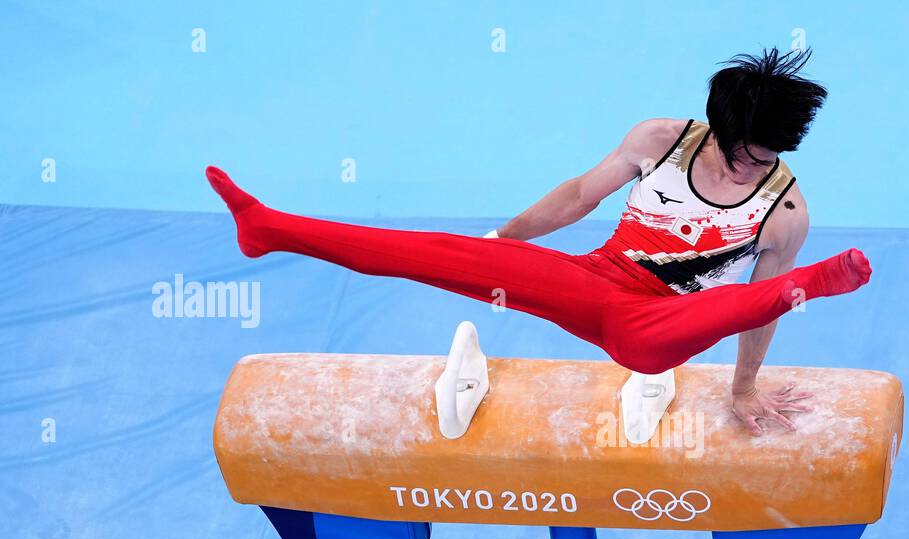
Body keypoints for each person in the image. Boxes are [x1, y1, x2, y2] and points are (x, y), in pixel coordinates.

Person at [206, 48, 870, 435]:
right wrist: (503, 245)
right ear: (713, 127)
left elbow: (747, 315)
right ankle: (267, 227)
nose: (747, 170)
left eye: (763, 161)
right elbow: (579, 197)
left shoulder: (783, 212)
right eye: (740, 155)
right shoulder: (659, 140)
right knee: (437, 254)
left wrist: (743, 389)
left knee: (666, 336)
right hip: (595, 281)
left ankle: (806, 284)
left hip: (663, 322)